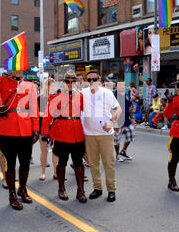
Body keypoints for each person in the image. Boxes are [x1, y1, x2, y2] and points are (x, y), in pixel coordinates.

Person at [0, 51, 39, 211]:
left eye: (20, 68)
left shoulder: (31, 86)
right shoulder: (3, 81)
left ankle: (22, 189)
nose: (18, 71)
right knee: (10, 163)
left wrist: (36, 129)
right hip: (7, 129)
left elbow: (34, 109)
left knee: (25, 163)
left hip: (25, 129)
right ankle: (12, 194)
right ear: (11, 69)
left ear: (24, 69)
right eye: (15, 68)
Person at [41, 70, 87, 203]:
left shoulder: (81, 96)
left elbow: (87, 113)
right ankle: (61, 188)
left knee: (79, 162)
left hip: (77, 133)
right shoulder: (56, 96)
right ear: (64, 82)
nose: (70, 84)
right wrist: (45, 132)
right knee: (62, 162)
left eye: (73, 81)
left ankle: (81, 190)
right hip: (61, 133)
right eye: (68, 81)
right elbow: (48, 115)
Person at [81, 69, 122, 202]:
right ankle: (97, 188)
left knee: (108, 163)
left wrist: (111, 122)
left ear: (99, 80)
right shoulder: (83, 94)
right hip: (89, 134)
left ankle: (111, 189)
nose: (92, 82)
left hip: (105, 134)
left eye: (94, 79)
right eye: (89, 80)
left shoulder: (106, 93)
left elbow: (118, 108)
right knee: (93, 163)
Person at [39, 77, 58, 181]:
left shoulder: (57, 97)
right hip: (43, 127)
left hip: (55, 126)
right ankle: (43, 172)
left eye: (55, 85)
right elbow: (36, 112)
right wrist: (47, 114)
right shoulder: (42, 98)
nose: (54, 87)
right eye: (52, 85)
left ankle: (55, 172)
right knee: (44, 151)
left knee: (55, 151)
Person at [114, 92, 135, 163]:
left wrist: (132, 118)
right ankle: (117, 155)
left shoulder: (126, 94)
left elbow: (129, 107)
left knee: (131, 135)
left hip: (126, 120)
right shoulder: (114, 95)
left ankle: (123, 151)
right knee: (117, 139)